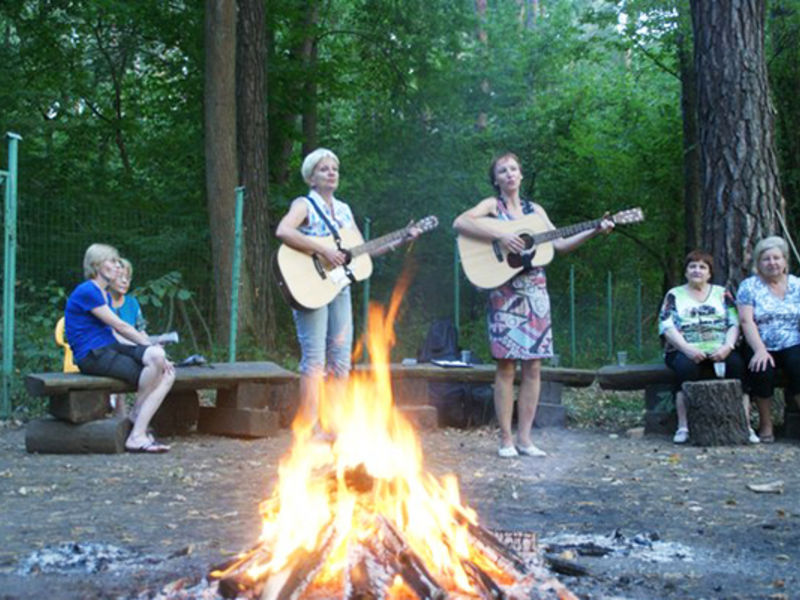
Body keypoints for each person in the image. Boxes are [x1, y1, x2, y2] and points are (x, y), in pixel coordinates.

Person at [453, 152, 614, 458]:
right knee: (505, 365)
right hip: (504, 291)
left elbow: (560, 244)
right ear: (496, 179)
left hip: (536, 292)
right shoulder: (492, 207)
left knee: (534, 365)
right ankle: (505, 439)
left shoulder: (535, 211)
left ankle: (525, 439)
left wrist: (595, 229)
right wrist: (503, 234)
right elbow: (460, 222)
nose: (509, 173)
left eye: (514, 168)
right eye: (503, 170)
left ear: (521, 175)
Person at [276, 148, 418, 437]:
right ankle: (310, 427)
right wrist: (324, 249)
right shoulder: (304, 204)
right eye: (324, 169)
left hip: (338, 287)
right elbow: (283, 231)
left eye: (334, 169)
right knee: (314, 360)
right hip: (309, 286)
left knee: (340, 359)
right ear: (311, 177)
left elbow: (362, 250)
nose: (331, 173)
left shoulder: (343, 210)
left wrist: (400, 238)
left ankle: (335, 425)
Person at [65, 243, 175, 453]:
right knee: (159, 371)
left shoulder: (104, 294)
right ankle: (137, 434)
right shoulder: (88, 290)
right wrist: (148, 344)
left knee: (161, 362)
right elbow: (120, 326)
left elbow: (115, 335)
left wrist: (157, 354)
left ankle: (136, 417)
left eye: (117, 262)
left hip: (109, 347)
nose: (117, 266)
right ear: (97, 265)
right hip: (92, 355)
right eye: (112, 261)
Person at [658, 250, 758, 444]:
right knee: (685, 369)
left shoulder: (722, 293)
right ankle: (683, 426)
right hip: (684, 349)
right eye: (692, 266)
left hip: (720, 348)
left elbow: (734, 323)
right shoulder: (674, 295)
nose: (697, 270)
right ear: (686, 272)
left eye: (702, 267)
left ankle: (745, 425)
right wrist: (687, 349)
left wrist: (728, 347)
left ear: (709, 273)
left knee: (738, 366)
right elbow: (667, 326)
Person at [737, 236, 800, 443]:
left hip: (793, 341)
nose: (772, 263)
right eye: (766, 259)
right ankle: (766, 423)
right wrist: (760, 350)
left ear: (784, 261)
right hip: (760, 342)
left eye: (776, 258)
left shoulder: (797, 285)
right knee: (762, 369)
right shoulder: (749, 286)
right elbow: (746, 321)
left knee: (798, 365)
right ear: (758, 263)